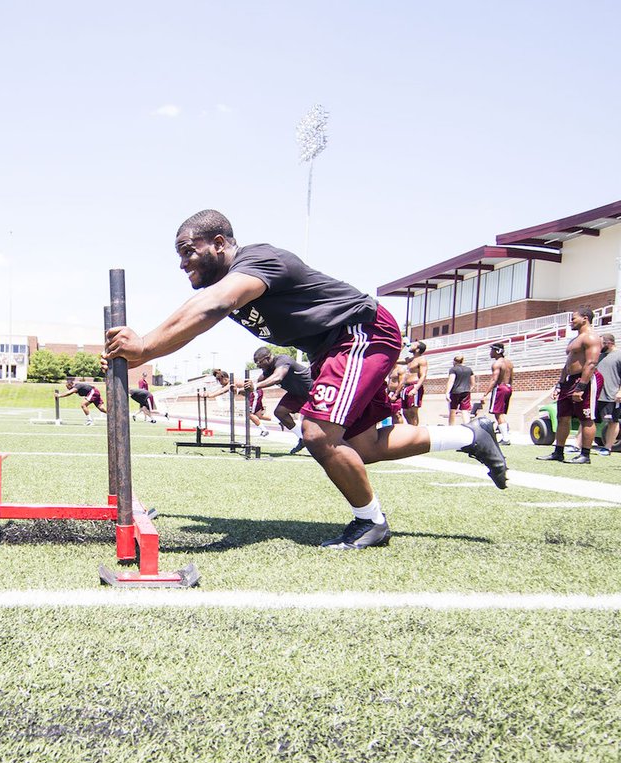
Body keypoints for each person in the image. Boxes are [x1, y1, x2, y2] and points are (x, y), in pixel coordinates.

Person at [102, 209, 507, 551]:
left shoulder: (257, 261)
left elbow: (211, 305)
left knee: (317, 433)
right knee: (361, 446)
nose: (182, 263)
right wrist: (146, 349)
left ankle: (371, 522)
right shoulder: (232, 278)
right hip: (333, 346)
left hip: (359, 332)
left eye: (189, 252)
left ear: (220, 243)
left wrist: (145, 347)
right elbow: (203, 313)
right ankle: (473, 436)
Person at [537, 306, 603, 464]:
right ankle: (558, 452)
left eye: (574, 318)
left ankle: (585, 455)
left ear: (585, 318)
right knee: (562, 417)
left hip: (586, 380)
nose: (571, 321)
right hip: (569, 381)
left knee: (586, 418)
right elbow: (568, 363)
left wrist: (581, 387)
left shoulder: (592, 337)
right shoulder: (575, 339)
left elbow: (591, 363)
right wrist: (560, 384)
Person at [247, 346, 312, 454]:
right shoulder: (266, 371)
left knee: (317, 423)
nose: (257, 365)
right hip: (295, 394)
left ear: (267, 358)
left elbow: (278, 377)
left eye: (259, 362)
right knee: (280, 412)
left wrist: (254, 385)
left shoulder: (283, 360)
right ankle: (302, 438)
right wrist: (241, 389)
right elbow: (256, 383)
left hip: (311, 391)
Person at [205, 368, 269, 436]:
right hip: (255, 393)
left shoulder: (232, 382)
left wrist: (209, 395)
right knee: (259, 415)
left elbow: (222, 391)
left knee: (249, 414)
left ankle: (264, 430)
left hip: (254, 393)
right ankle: (278, 421)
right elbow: (222, 389)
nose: (220, 383)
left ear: (224, 379)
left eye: (219, 381)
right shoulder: (231, 382)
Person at [480, 342, 514, 445]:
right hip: (508, 387)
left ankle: (506, 438)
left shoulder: (497, 364)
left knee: (498, 413)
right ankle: (505, 434)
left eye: (492, 350)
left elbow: (494, 380)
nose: (490, 352)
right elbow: (511, 378)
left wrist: (485, 394)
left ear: (497, 351)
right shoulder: (509, 363)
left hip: (500, 387)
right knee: (500, 413)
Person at [592, 333, 620, 457]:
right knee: (587, 420)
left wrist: (620, 392)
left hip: (612, 396)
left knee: (612, 422)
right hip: (596, 395)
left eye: (601, 343)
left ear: (609, 343)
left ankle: (607, 448)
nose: (599, 346)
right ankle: (578, 445)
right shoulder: (599, 356)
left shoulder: (619, 355)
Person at [401, 340, 428, 425]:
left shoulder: (421, 360)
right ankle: (410, 428)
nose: (411, 345)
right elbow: (397, 359)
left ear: (417, 349)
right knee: (405, 411)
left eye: (414, 345)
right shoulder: (411, 360)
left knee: (413, 412)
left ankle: (415, 430)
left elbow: (423, 375)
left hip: (414, 386)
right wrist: (403, 347)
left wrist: (416, 388)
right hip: (406, 387)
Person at [445, 354, 474, 426]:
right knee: (465, 410)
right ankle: (468, 425)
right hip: (466, 391)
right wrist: (469, 389)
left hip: (455, 391)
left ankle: (451, 426)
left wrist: (447, 392)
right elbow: (473, 382)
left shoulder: (453, 369)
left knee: (453, 410)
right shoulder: (469, 369)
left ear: (454, 361)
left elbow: (451, 380)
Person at [385, 359, 407, 425]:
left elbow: (401, 383)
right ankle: (394, 427)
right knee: (393, 413)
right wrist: (387, 393)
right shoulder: (391, 370)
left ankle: (400, 428)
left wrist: (396, 394)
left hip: (397, 394)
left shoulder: (400, 370)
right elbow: (390, 382)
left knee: (397, 413)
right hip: (391, 393)